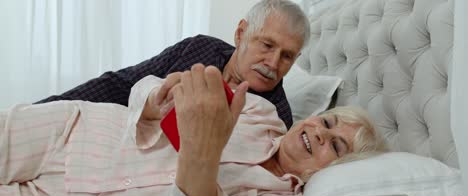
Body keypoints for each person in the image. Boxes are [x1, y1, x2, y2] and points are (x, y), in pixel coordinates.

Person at [0, 65, 387, 196]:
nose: (320, 131)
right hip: (76, 131)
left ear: (335, 172)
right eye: (327, 121)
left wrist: (204, 148)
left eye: (335, 146)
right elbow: (144, 86)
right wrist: (158, 98)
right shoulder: (260, 110)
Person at [36, 0, 311, 129]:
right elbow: (123, 82)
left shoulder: (277, 117)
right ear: (241, 34)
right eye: (267, 45)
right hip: (114, 127)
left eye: (286, 56)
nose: (273, 63)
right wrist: (49, 109)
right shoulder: (199, 47)